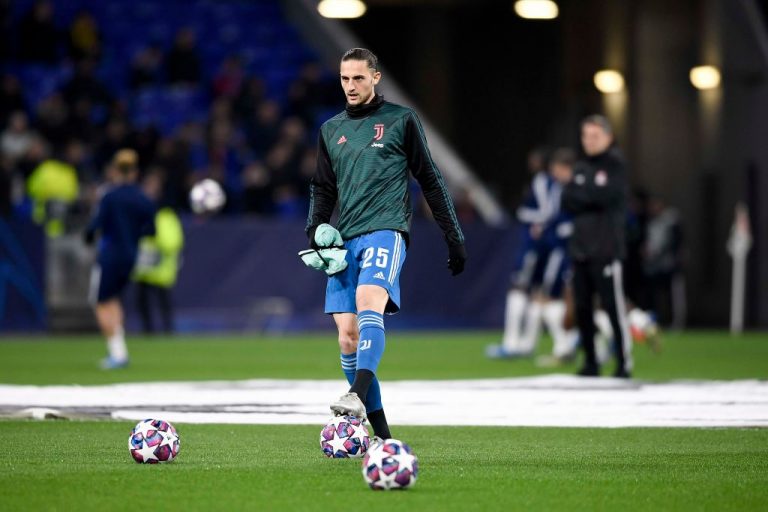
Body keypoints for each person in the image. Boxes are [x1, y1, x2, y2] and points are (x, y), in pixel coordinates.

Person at [303, 48, 466, 441]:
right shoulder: (330, 130)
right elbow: (322, 189)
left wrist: (453, 235)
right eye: (345, 78)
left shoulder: (401, 120)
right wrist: (315, 232)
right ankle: (383, 438)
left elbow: (430, 180)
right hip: (345, 239)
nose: (350, 86)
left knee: (368, 300)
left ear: (375, 77)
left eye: (358, 78)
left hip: (386, 229)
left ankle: (356, 394)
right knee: (347, 335)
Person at [486, 147, 577, 361]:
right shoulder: (561, 185)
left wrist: (529, 218)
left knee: (534, 292)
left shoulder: (546, 182)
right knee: (540, 296)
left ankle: (560, 343)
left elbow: (548, 212)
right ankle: (531, 343)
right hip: (556, 245)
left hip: (548, 246)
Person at [561, 115, 632, 378]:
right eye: (586, 136)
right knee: (582, 308)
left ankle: (623, 362)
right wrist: (588, 195)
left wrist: (585, 194)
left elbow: (606, 196)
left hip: (606, 249)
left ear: (608, 137)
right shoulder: (581, 167)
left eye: (595, 136)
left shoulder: (615, 165)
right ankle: (591, 361)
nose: (589, 141)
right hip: (580, 249)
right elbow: (567, 200)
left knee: (613, 307)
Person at [84, 149, 155, 369]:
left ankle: (117, 353)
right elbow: (151, 230)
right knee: (113, 300)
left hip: (110, 254)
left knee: (100, 302)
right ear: (135, 171)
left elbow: (94, 227)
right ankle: (120, 351)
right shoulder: (143, 198)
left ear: (115, 170)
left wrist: (89, 238)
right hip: (131, 255)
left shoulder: (110, 196)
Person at [132, 170, 184, 334]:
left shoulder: (165, 214)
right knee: (142, 300)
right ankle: (148, 331)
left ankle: (168, 330)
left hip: (161, 268)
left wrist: (154, 238)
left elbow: (173, 241)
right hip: (143, 267)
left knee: (163, 301)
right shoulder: (138, 211)